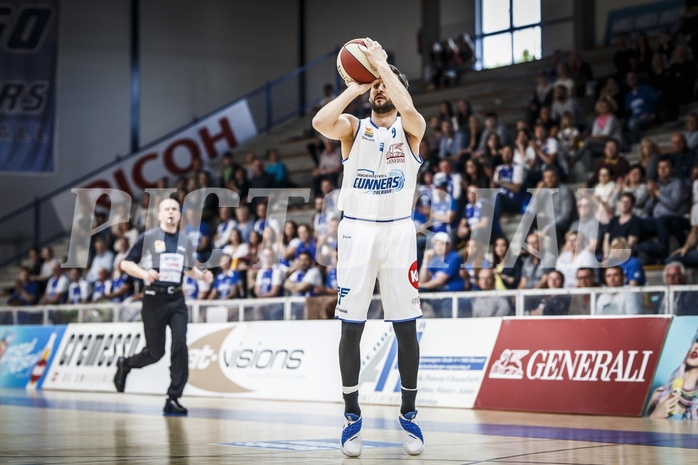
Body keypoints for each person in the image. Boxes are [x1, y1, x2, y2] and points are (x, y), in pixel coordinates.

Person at [311, 37, 425, 457]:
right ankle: (351, 414)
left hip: (398, 233)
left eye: (385, 85)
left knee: (406, 325)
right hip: (356, 232)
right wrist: (356, 86)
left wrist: (383, 65)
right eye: (376, 85)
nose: (379, 88)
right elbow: (320, 123)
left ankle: (409, 415)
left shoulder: (411, 129)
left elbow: (409, 109)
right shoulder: (353, 128)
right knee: (350, 326)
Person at [113, 198, 214, 416]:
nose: (170, 212)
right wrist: (144, 274)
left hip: (176, 300)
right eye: (166, 209)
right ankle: (126, 364)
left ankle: (173, 397)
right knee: (155, 352)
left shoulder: (185, 241)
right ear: (159, 215)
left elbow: (189, 270)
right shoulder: (148, 238)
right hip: (153, 300)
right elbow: (125, 263)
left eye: (174, 209)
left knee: (180, 344)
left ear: (179, 215)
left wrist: (202, 275)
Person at [646, 331, 698, 419]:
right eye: (697, 341)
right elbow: (641, 430)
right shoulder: (658, 394)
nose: (697, 347)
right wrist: (655, 415)